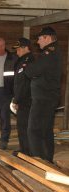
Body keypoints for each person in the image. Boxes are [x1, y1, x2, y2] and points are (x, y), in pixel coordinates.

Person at [25, 26, 62, 163]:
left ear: (47, 38)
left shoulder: (49, 53)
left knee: (34, 130)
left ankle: (39, 163)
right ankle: (47, 161)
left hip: (44, 99)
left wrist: (28, 68)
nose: (38, 42)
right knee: (46, 130)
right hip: (47, 98)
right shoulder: (53, 52)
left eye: (40, 39)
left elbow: (31, 71)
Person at [11, 37, 34, 155]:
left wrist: (16, 100)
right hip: (24, 99)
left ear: (26, 48)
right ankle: (24, 150)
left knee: (25, 126)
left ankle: (27, 152)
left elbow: (23, 83)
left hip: (27, 100)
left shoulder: (28, 61)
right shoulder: (22, 60)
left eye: (19, 49)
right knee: (22, 127)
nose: (17, 51)